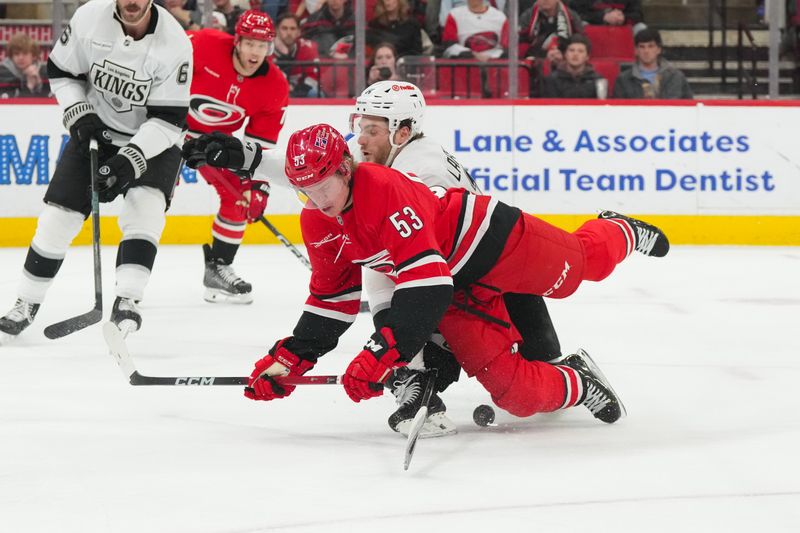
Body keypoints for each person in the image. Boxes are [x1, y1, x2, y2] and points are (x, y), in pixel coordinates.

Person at [183, 122, 670, 428]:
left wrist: (381, 354)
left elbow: (426, 285)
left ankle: (618, 228)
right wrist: (291, 358)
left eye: (325, 184)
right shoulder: (317, 216)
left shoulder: (384, 189)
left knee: (581, 269)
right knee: (515, 395)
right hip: (452, 285)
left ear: (348, 169)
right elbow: (332, 300)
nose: (318, 198)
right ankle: (579, 381)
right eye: (306, 190)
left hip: (493, 243)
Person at [0, 0, 191, 339]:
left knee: (145, 206)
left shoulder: (175, 43)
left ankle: (128, 299)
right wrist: (79, 113)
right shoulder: (89, 17)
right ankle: (26, 303)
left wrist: (129, 160)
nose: (131, 2)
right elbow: (61, 73)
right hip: (96, 131)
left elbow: (168, 120)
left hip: (155, 138)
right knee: (59, 216)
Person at [186, 10, 289, 304]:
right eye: (250, 44)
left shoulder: (274, 86)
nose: (255, 52)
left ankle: (218, 268)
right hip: (167, 127)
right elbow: (160, 65)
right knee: (149, 195)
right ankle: (131, 280)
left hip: (211, 143)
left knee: (240, 193)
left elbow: (259, 149)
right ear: (237, 41)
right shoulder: (202, 43)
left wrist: (260, 188)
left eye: (263, 45)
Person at [612, 28, 693, 99]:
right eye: (642, 47)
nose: (646, 51)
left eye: (651, 46)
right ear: (636, 51)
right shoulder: (623, 80)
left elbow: (690, 108)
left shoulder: (676, 77)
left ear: (659, 49)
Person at [540, 33, 606, 98]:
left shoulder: (597, 80)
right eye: (571, 50)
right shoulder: (552, 80)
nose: (575, 54)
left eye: (580, 51)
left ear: (587, 56)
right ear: (565, 54)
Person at [273, 13, 321, 98]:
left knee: (314, 92)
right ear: (276, 30)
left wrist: (294, 91)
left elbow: (313, 79)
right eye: (284, 28)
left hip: (301, 93)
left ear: (299, 32)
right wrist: (284, 54)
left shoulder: (308, 48)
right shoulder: (266, 50)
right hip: (276, 95)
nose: (289, 33)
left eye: (293, 29)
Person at [442, 0, 509, 60]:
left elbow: (507, 48)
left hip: (494, 67)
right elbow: (449, 47)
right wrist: (472, 55)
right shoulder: (454, 15)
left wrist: (490, 58)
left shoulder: (500, 17)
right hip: (465, 65)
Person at [0, 33, 50, 98]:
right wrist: (29, 86)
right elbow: (11, 105)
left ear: (34, 55)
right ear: (11, 56)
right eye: (16, 54)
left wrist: (39, 84)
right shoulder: (3, 74)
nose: (20, 58)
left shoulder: (45, 73)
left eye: (25, 53)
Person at [570, 0, 644, 29]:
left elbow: (638, 15)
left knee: (640, 27)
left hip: (622, 28)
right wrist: (603, 17)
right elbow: (576, 14)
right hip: (595, 28)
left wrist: (623, 18)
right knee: (582, 25)